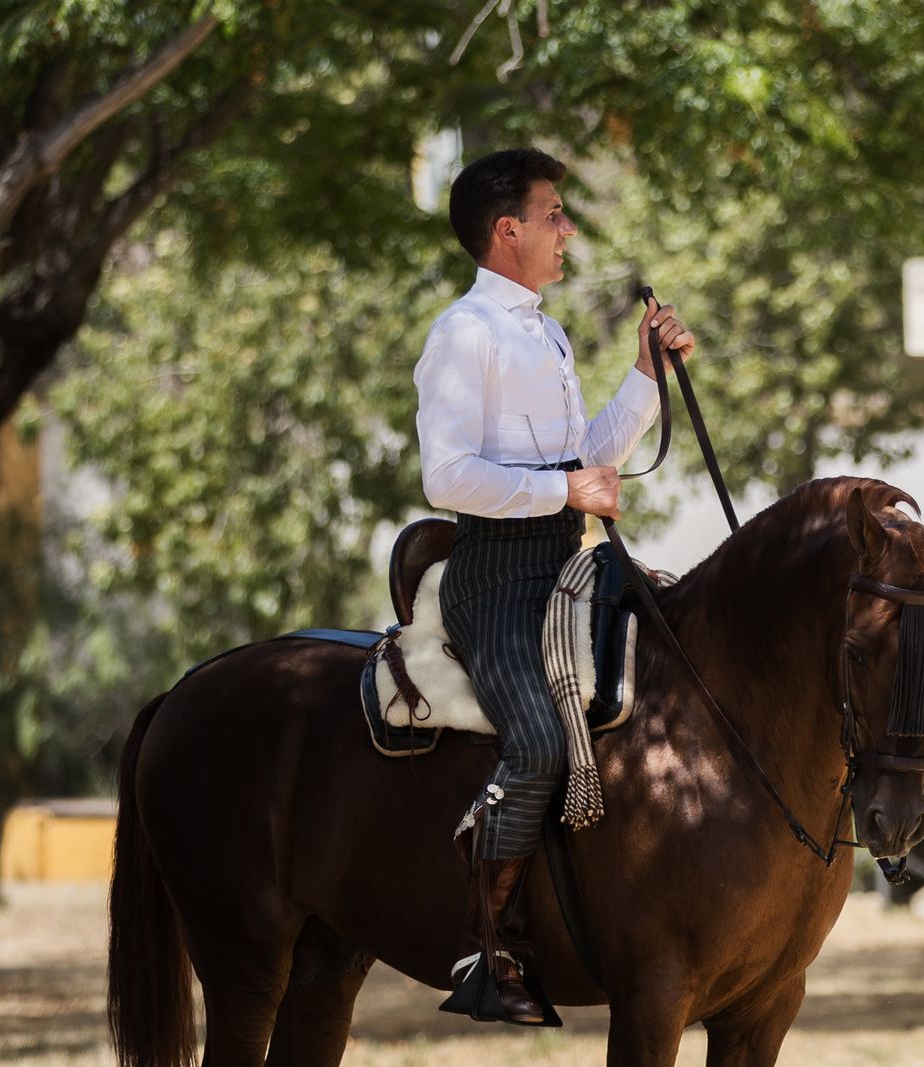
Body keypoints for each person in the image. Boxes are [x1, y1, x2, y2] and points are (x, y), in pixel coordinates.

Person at [413, 147, 694, 1024]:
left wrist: (648, 371)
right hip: (496, 581)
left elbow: (591, 456)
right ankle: (483, 947)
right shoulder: (466, 333)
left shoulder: (545, 329)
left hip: (569, 563)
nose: (567, 230)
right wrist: (563, 490)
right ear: (508, 231)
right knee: (536, 744)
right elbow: (445, 476)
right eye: (554, 215)